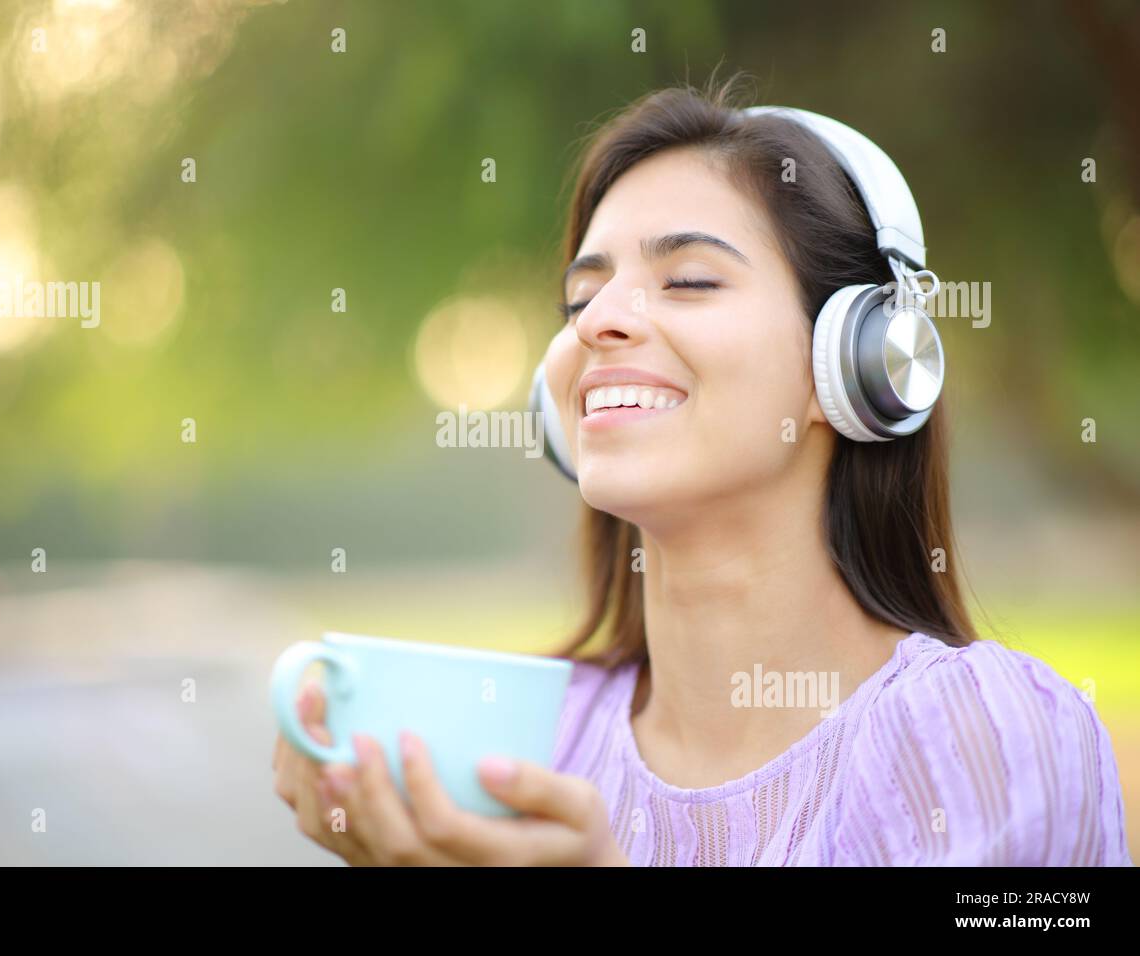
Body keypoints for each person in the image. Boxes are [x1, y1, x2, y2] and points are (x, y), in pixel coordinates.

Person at [272, 75, 1132, 866]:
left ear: (863, 364)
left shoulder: (982, 736)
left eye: (686, 280)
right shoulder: (535, 737)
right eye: (581, 298)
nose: (600, 321)